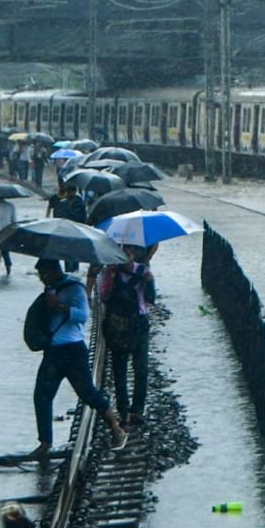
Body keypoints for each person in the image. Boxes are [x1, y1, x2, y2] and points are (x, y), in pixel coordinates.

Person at [30, 258, 127, 458]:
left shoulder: (75, 289)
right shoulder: (50, 290)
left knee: (88, 394)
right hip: (52, 351)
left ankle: (117, 429)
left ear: (53, 271)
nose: (41, 278)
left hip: (72, 350)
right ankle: (45, 443)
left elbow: (83, 315)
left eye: (43, 274)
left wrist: (60, 306)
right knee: (42, 397)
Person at [99, 246, 156, 427]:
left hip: (138, 322)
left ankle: (137, 410)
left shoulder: (143, 271)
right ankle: (123, 410)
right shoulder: (110, 272)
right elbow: (104, 296)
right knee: (119, 369)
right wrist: (110, 277)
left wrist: (149, 282)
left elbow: (151, 298)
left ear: (133, 255)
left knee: (141, 368)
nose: (125, 258)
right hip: (117, 325)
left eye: (128, 254)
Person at [48, 185, 87, 272]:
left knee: (68, 251)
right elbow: (83, 218)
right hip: (76, 231)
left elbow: (57, 217)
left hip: (66, 231)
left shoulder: (62, 203)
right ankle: (74, 269)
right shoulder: (79, 203)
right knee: (74, 251)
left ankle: (69, 269)